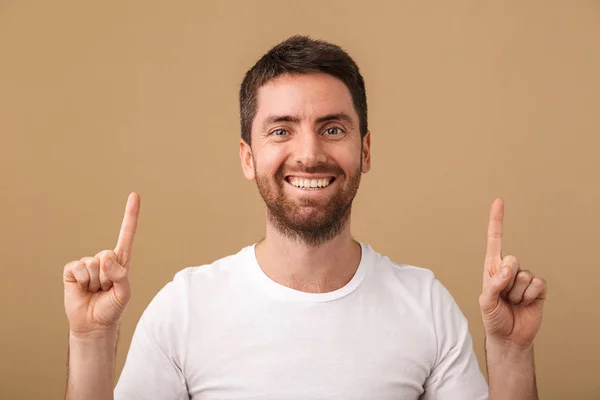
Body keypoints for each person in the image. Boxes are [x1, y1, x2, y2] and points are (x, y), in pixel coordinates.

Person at [63, 35, 547, 400]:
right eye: (281, 130)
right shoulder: (183, 309)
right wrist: (90, 341)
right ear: (248, 157)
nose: (309, 153)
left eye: (332, 128)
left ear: (365, 149)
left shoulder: (426, 305)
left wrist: (510, 353)